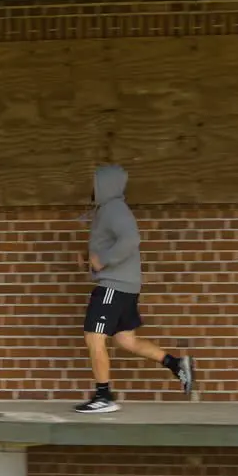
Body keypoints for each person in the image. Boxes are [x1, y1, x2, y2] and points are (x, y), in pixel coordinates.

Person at [75, 164, 194, 414]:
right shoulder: (109, 210)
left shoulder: (113, 208)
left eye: (95, 182)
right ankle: (175, 364)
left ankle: (103, 396)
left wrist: (103, 260)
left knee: (94, 336)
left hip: (114, 287)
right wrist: (92, 261)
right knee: (125, 339)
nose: (92, 188)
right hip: (123, 286)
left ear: (105, 184)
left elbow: (131, 239)